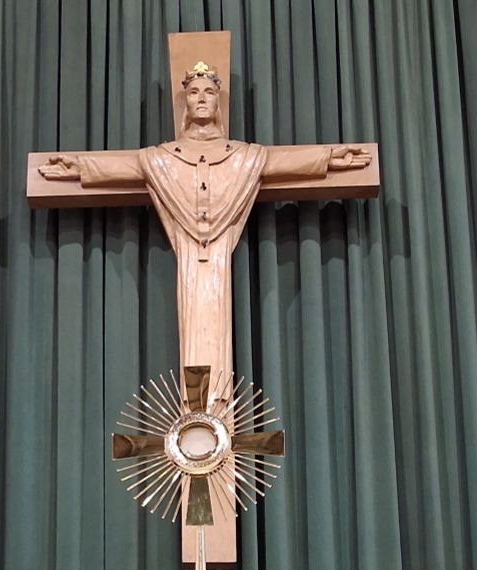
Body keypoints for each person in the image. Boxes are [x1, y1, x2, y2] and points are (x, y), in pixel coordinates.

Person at [40, 63, 371, 396]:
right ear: (185, 101)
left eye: (209, 92)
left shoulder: (243, 158)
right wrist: (77, 167)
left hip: (217, 257)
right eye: (194, 92)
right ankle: (199, 412)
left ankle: (213, 410)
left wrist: (329, 159)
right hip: (188, 254)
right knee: (195, 325)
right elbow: (121, 167)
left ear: (218, 102)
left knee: (214, 321)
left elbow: (281, 161)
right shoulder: (162, 160)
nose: (201, 99)